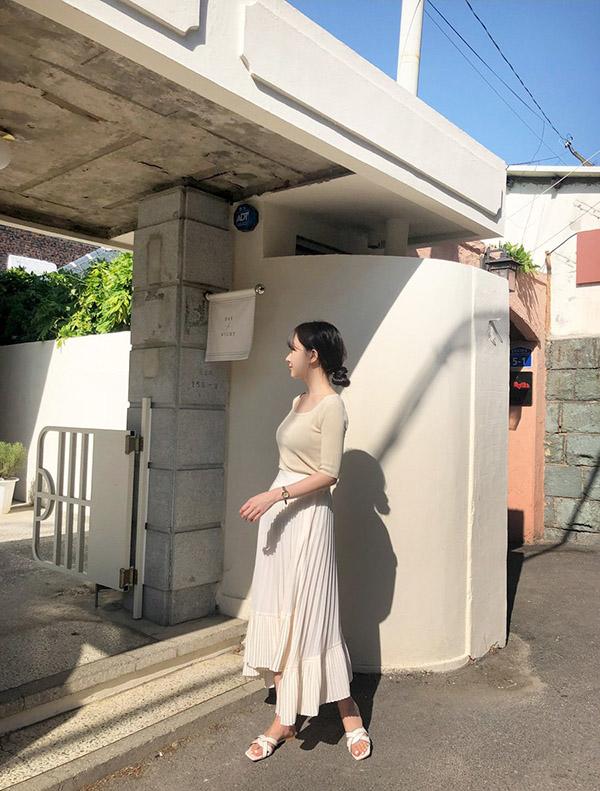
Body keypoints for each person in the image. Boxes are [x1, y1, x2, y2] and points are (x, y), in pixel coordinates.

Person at [239, 320, 372, 762]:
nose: (287, 356)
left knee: (312, 614)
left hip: (309, 518)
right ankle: (285, 715)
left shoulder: (332, 407)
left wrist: (273, 495)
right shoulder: (297, 401)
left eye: (292, 348)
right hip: (279, 519)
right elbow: (290, 461)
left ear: (313, 355)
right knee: (279, 610)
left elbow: (329, 473)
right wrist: (272, 500)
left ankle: (348, 710)